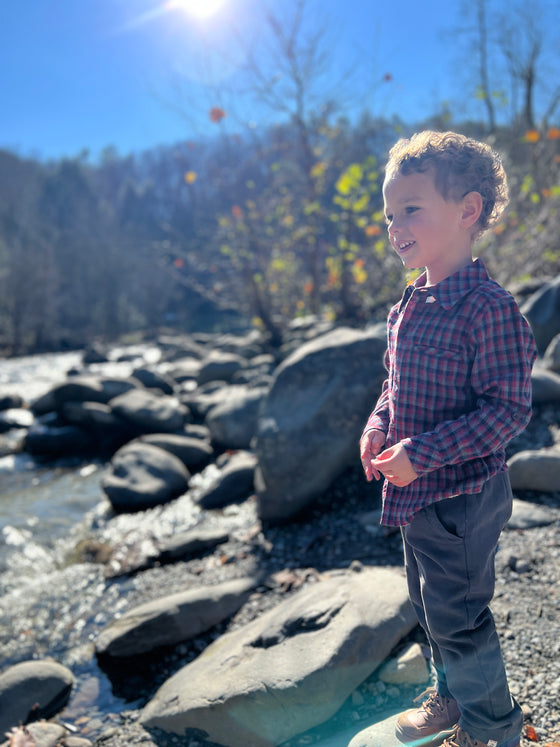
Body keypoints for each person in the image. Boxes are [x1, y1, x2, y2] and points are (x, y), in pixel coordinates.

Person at [359, 131, 537, 747]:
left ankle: (494, 732)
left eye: (411, 208)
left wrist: (423, 454)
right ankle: (453, 698)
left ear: (467, 210)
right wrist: (378, 424)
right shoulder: (407, 304)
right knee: (429, 605)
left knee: (460, 618)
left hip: (463, 493)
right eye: (389, 213)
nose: (394, 225)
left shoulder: (489, 309)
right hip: (415, 493)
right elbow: (395, 382)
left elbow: (508, 412)